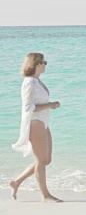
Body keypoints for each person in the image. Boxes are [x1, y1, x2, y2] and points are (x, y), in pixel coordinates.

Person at [9, 53, 63, 203]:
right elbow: (28, 107)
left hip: (43, 122)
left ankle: (17, 182)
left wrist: (51, 104)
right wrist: (50, 105)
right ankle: (45, 196)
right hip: (35, 122)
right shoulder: (29, 83)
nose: (45, 64)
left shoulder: (37, 81)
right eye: (44, 62)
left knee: (46, 159)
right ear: (37, 64)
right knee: (40, 160)